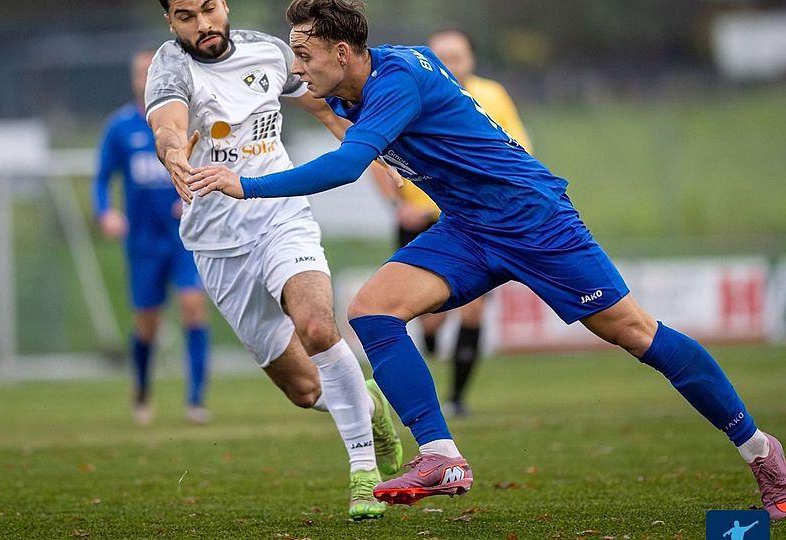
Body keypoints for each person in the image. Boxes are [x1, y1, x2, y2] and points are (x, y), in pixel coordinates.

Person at [184, 0, 786, 518]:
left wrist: (246, 185)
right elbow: (336, 119)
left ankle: (762, 451)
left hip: (532, 219)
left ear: (342, 52)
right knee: (371, 312)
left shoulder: (396, 80)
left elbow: (346, 166)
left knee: (635, 333)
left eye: (304, 53)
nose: (296, 65)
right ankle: (441, 457)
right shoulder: (353, 85)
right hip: (469, 227)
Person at [144, 0, 404, 521]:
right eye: (187, 16)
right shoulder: (171, 67)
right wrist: (174, 154)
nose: (204, 24)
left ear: (225, 5)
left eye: (209, 9)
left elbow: (326, 108)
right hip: (217, 244)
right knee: (305, 388)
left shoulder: (270, 52)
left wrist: (376, 157)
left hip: (280, 217)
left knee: (316, 324)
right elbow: (168, 128)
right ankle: (367, 404)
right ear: (170, 22)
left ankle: (362, 472)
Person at [371, 28, 535, 417]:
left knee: (474, 308)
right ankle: (428, 355)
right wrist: (398, 206)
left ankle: (458, 399)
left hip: (475, 220)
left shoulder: (492, 96)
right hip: (420, 218)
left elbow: (519, 149)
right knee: (427, 317)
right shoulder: (408, 95)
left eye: (458, 55)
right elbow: (374, 156)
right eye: (443, 55)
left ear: (472, 60)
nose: (451, 63)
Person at [92, 48, 211, 426]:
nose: (147, 79)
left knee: (193, 306)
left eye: (152, 72)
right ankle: (142, 392)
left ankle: (195, 401)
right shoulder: (121, 127)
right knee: (148, 323)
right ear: (133, 79)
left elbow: (215, 162)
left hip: (184, 237)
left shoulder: (187, 121)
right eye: (141, 72)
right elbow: (101, 178)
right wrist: (105, 212)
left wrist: (198, 197)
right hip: (143, 241)